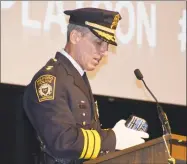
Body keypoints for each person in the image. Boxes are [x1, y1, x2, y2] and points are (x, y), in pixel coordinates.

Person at [23, 7, 149, 164]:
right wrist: (113, 138)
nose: (104, 52)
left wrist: (112, 138)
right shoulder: (50, 79)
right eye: (99, 43)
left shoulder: (75, 78)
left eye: (107, 45)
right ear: (75, 37)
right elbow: (62, 141)